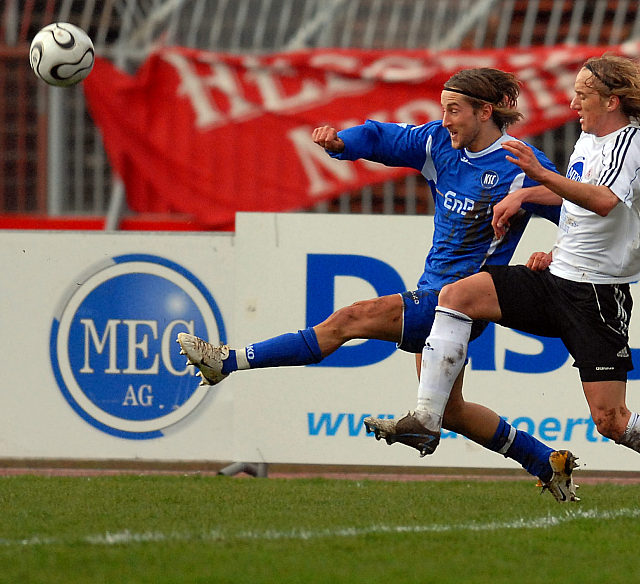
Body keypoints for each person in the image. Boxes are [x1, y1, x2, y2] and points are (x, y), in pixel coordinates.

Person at [365, 54, 640, 508]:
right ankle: (426, 418)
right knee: (457, 295)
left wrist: (537, 176)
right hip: (557, 277)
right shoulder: (589, 138)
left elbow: (603, 201)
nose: (573, 103)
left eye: (582, 95)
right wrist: (529, 201)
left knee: (611, 420)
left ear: (611, 101)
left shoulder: (635, 146)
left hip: (596, 295)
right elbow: (573, 201)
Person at [178, 68, 580, 501]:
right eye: (443, 109)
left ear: (485, 112)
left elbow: (580, 216)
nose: (445, 119)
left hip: (461, 303)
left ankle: (228, 361)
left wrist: (552, 254)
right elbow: (383, 137)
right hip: (434, 292)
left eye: (454, 110)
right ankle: (544, 460)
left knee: (349, 320)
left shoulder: (521, 164)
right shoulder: (438, 142)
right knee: (451, 411)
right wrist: (342, 144)